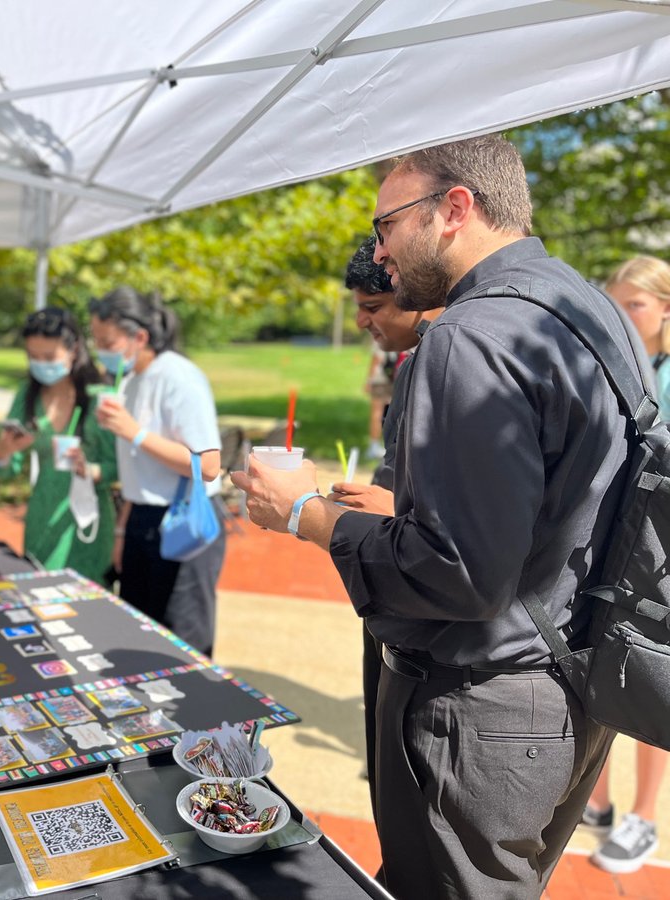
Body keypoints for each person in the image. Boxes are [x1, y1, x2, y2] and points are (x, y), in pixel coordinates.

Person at [234, 135, 634, 899]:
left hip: (481, 708)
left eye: (388, 225)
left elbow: (457, 575)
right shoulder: (589, 309)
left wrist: (308, 515)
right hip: (574, 688)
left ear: (455, 209)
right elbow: (556, 503)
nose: (380, 253)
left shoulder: (466, 334)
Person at [328, 236, 442, 820]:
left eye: (373, 306)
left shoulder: (450, 362)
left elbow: (463, 521)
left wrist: (389, 505)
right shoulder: (412, 362)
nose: (362, 320)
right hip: (393, 600)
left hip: (433, 628)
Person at [577, 255, 670, 874]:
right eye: (618, 303)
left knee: (653, 675)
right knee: (608, 660)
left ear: (665, 310)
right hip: (621, 544)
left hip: (660, 553)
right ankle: (601, 804)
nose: (625, 315)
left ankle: (644, 818)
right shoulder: (620, 363)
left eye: (635, 304)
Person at [89, 287, 224, 656]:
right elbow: (138, 475)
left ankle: (193, 713)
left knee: (183, 643)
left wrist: (135, 433)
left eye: (107, 341)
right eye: (96, 340)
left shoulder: (178, 377)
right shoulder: (129, 381)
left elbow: (209, 465)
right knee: (139, 634)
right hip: (141, 520)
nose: (100, 350)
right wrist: (122, 532)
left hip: (182, 521)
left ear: (140, 337)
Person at [0, 307, 117, 583]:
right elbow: (3, 470)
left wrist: (91, 470)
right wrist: (3, 451)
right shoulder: (27, 397)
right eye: (33, 357)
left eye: (49, 357)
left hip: (88, 525)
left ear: (73, 350)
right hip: (42, 520)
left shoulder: (100, 398)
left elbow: (119, 467)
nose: (41, 364)